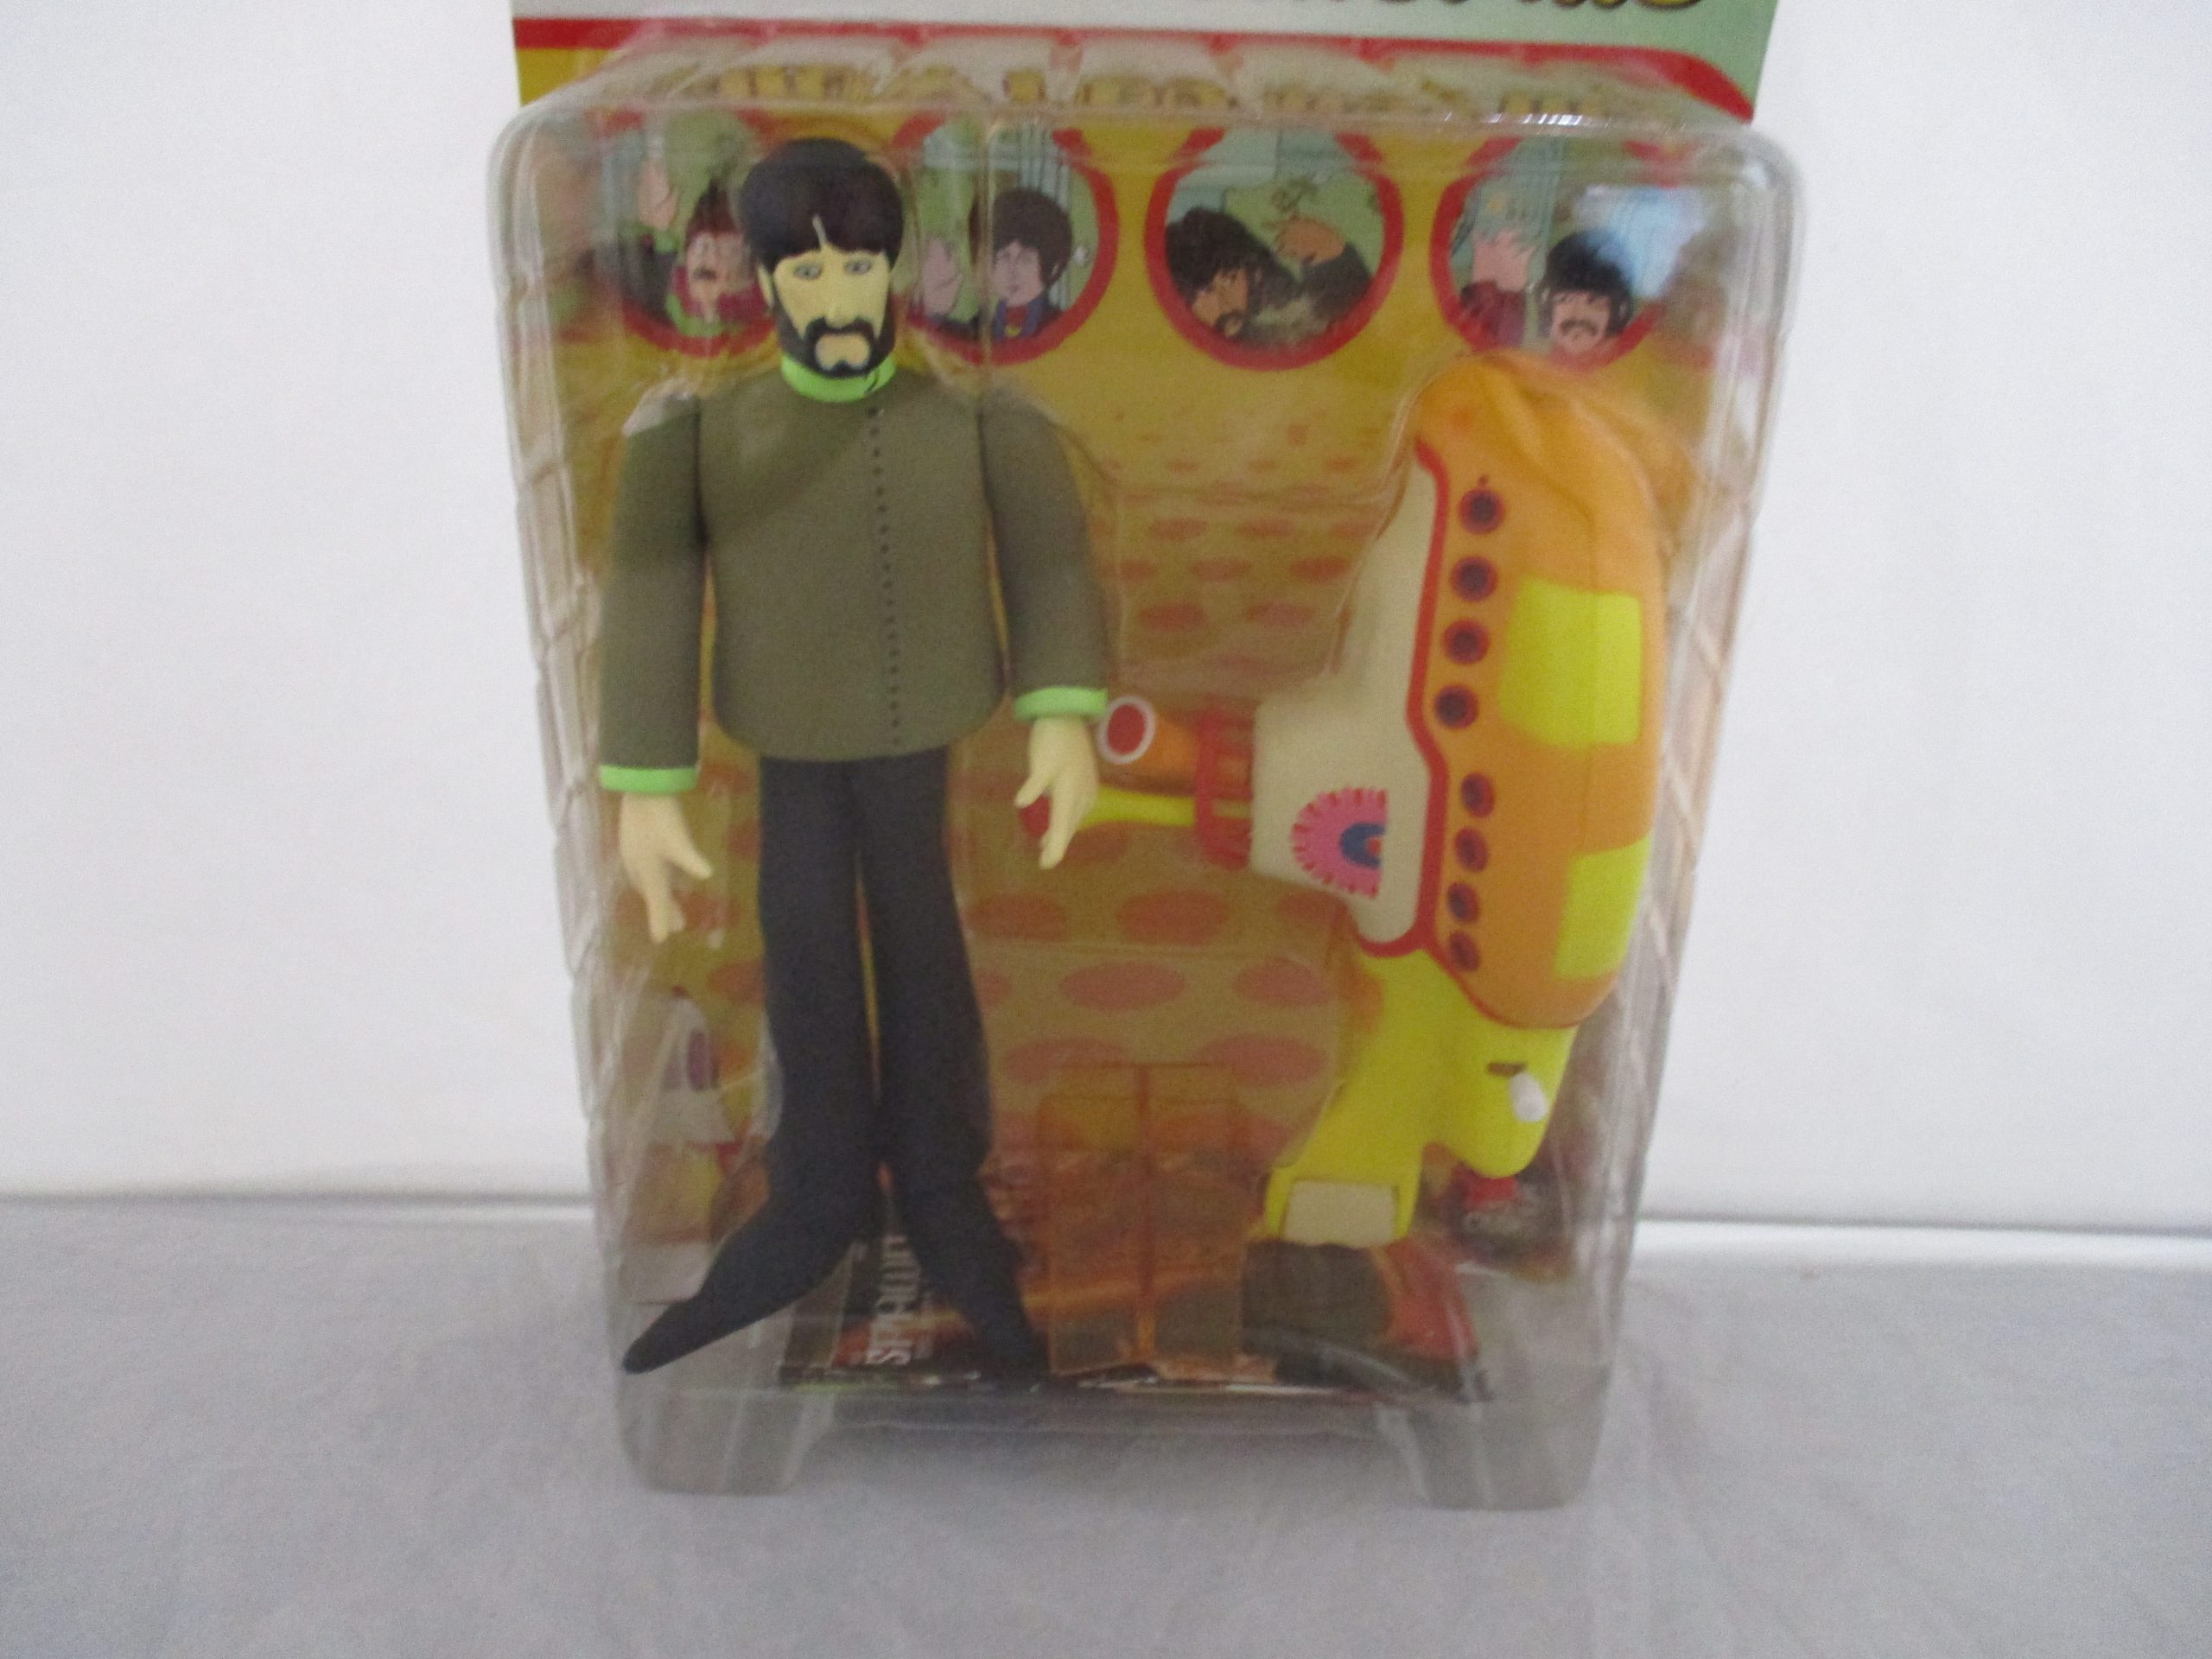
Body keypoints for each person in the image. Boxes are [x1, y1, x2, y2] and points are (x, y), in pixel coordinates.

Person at [601, 138, 1110, 1375]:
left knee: (925, 940)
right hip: (786, 744)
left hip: (924, 734)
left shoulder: (974, 422)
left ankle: (939, 1181)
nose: (837, 296)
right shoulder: (701, 434)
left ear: (894, 270)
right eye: (810, 272)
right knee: (804, 944)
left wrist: (1062, 717)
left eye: (859, 267)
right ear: (769, 281)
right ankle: (817, 1189)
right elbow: (652, 597)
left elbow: (1049, 561)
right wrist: (646, 787)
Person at [1161, 205, 1371, 349]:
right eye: (1205, 290)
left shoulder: (1285, 315)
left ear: (1255, 273)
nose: (1224, 301)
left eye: (1230, 279)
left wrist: (1335, 256)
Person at [918, 186, 1077, 343]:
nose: (1012, 271)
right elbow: (955, 344)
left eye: (1025, 260)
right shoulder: (983, 323)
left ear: (1053, 268)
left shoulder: (1062, 328)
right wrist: (934, 312)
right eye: (1004, 257)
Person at [1458, 227, 1637, 364]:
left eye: (1595, 304)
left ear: (1618, 312)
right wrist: (1485, 281)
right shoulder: (1522, 342)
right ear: (1546, 303)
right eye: (1565, 300)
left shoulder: (1623, 368)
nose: (1577, 314)